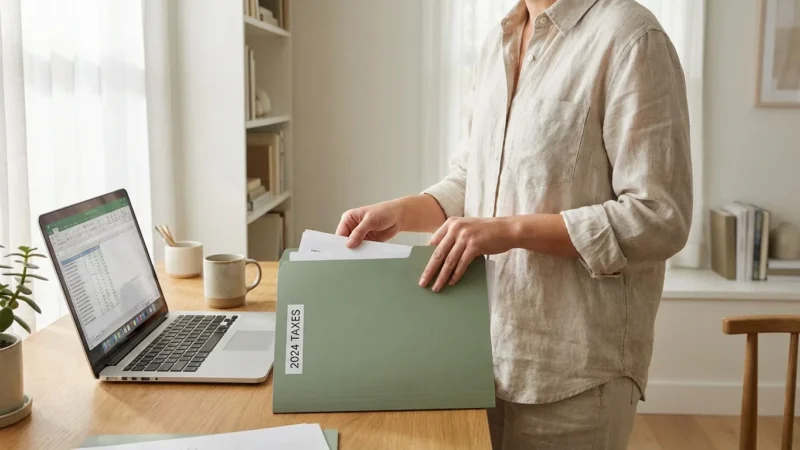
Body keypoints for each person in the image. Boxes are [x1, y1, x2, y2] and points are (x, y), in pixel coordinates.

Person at [336, 0, 692, 448]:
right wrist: (404, 210)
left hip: (575, 372)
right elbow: (475, 177)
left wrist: (507, 231)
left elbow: (659, 217)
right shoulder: (497, 41)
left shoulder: (632, 37)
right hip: (478, 354)